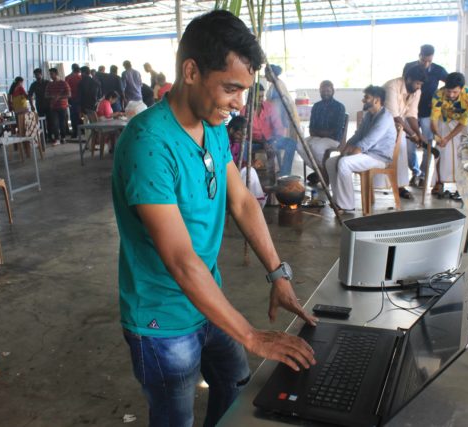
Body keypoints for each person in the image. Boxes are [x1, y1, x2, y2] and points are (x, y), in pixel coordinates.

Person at [112, 10, 316, 427]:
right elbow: (181, 260)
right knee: (176, 418)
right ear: (191, 71)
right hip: (162, 320)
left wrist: (278, 274)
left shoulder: (213, 124)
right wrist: (252, 335)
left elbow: (240, 200)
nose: (239, 105)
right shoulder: (148, 144)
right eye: (230, 88)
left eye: (244, 90)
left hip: (208, 301)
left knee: (236, 382)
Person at [325, 86, 397, 212]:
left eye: (366, 97)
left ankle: (346, 205)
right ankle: (337, 200)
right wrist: (345, 149)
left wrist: (350, 154)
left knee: (344, 163)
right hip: (367, 154)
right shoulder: (369, 115)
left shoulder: (385, 117)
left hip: (379, 157)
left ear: (376, 100)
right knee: (331, 162)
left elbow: (368, 141)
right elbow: (357, 135)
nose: (363, 100)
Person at [403, 44, 448, 185]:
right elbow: (404, 85)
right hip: (410, 112)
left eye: (429, 61)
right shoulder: (409, 67)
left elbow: (450, 84)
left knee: (428, 143)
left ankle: (423, 174)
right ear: (419, 55)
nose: (426, 63)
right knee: (410, 144)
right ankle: (414, 172)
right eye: (423, 60)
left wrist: (438, 100)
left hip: (428, 113)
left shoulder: (438, 70)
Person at [382, 66, 427, 200]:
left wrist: (419, 135)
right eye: (417, 83)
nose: (419, 87)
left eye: (421, 84)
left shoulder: (416, 91)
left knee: (401, 152)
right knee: (383, 155)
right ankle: (375, 186)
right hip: (382, 125)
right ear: (408, 79)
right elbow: (395, 115)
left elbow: (412, 115)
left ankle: (400, 186)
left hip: (398, 125)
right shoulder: (392, 86)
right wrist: (412, 135)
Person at [430, 72, 468, 192]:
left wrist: (448, 137)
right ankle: (439, 182)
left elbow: (463, 123)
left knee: (465, 150)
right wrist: (438, 135)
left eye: (455, 92)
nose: (450, 94)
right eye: (448, 91)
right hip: (444, 119)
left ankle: (464, 184)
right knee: (442, 150)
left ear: (461, 88)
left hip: (463, 122)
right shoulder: (438, 94)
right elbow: (434, 119)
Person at [296, 80, 346, 184]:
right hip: (317, 137)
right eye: (323, 91)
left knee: (316, 147)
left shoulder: (339, 107)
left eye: (328, 91)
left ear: (333, 91)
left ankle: (322, 175)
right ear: (320, 91)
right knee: (299, 145)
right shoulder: (316, 106)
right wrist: (319, 133)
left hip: (333, 139)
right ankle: (322, 172)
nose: (326, 93)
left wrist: (319, 133)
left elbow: (335, 130)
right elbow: (311, 128)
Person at [243, 83, 297, 177]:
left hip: (271, 140)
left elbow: (278, 127)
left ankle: (285, 174)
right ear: (251, 96)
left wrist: (274, 140)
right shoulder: (245, 110)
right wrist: (262, 142)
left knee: (291, 143)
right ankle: (248, 172)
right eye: (258, 97)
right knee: (243, 145)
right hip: (253, 142)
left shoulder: (269, 107)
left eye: (262, 96)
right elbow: (245, 134)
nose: (261, 99)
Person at [264, 64, 301, 143]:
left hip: (282, 113)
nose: (265, 76)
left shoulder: (278, 84)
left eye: (266, 73)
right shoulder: (274, 84)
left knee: (283, 135)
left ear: (271, 74)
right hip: (277, 113)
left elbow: (280, 102)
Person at [45, 67, 71, 145]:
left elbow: (69, 94)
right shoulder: (49, 84)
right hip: (53, 107)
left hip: (62, 106)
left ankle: (63, 138)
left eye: (52, 74)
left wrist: (59, 97)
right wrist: (52, 96)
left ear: (56, 74)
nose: (50, 76)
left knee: (63, 123)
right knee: (55, 123)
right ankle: (57, 139)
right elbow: (46, 95)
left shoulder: (63, 83)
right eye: (50, 74)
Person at [28, 68, 51, 140]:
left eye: (38, 74)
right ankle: (44, 137)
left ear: (41, 74)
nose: (37, 76)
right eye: (35, 75)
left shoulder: (47, 82)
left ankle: (51, 136)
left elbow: (52, 92)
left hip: (49, 104)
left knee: (50, 121)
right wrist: (32, 105)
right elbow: (30, 95)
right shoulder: (33, 84)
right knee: (41, 121)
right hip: (39, 105)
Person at [65, 63, 82, 138]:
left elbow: (66, 90)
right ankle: (81, 130)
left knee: (73, 116)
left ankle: (75, 132)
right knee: (80, 115)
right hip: (80, 99)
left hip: (71, 99)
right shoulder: (80, 77)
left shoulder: (68, 77)